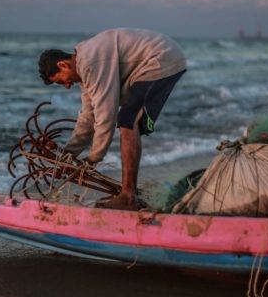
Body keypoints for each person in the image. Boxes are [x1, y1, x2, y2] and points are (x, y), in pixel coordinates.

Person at [38, 28, 187, 210]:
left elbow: (105, 113)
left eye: (61, 81)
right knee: (128, 119)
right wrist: (67, 155)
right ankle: (129, 194)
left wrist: (93, 158)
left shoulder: (91, 61)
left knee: (127, 120)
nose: (67, 86)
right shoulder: (85, 72)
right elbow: (88, 117)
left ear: (63, 65)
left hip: (161, 58)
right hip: (153, 62)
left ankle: (128, 196)